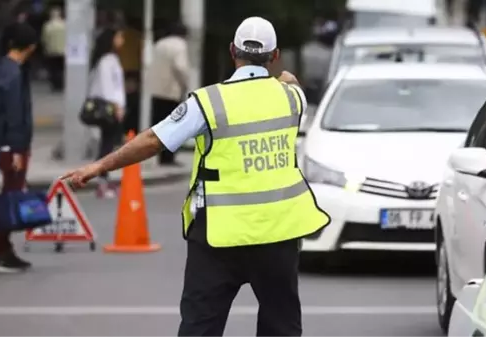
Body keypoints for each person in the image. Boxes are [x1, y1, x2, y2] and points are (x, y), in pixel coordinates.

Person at [61, 16, 331, 336]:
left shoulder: (209, 102)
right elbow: (291, 83)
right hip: (278, 234)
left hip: (219, 235)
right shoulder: (292, 98)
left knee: (200, 327)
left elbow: (153, 140)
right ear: (275, 56)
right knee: (281, 325)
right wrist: (286, 77)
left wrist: (99, 167)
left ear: (233, 51)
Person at [0, 23, 37, 273]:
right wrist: (16, 150)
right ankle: (0, 252)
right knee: (11, 197)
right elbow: (14, 115)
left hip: (4, 144)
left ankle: (3, 249)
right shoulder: (14, 73)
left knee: (9, 195)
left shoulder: (3, 68)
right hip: (12, 146)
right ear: (31, 47)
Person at [87, 24, 127, 198]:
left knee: (109, 144)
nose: (122, 40)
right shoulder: (106, 61)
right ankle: (101, 182)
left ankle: (104, 179)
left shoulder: (111, 58)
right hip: (109, 108)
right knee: (107, 145)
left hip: (113, 107)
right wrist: (116, 106)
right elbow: (107, 87)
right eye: (119, 36)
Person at [149, 22, 189, 166]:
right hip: (172, 91)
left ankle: (160, 156)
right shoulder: (180, 45)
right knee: (174, 125)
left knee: (159, 125)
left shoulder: (159, 44)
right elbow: (180, 67)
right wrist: (185, 83)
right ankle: (168, 158)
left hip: (156, 90)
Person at [41, 7, 66, 92]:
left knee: (53, 69)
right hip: (63, 51)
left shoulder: (47, 26)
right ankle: (61, 84)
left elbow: (44, 39)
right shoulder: (65, 25)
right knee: (62, 69)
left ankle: (55, 85)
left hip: (51, 51)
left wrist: (45, 49)